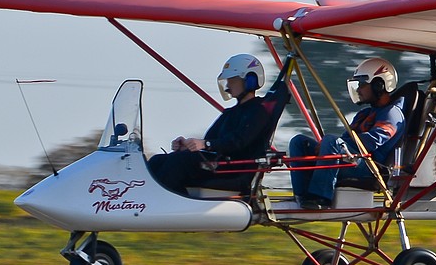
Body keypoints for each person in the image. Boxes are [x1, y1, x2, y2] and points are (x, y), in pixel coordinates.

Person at [148, 53, 274, 196]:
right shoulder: (230, 113)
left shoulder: (258, 112)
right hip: (218, 163)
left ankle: (167, 202)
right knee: (157, 161)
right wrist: (188, 146)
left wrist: (206, 144)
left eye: (232, 80)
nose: (227, 86)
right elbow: (210, 139)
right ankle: (143, 202)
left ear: (249, 80)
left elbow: (239, 142)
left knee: (179, 162)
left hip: (234, 169)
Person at [289, 57, 405, 209]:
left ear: (379, 85)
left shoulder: (392, 114)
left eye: (362, 84)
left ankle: (320, 199)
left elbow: (371, 142)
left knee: (331, 141)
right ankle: (302, 196)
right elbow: (344, 140)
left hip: (371, 168)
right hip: (353, 160)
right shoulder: (364, 114)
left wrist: (332, 145)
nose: (358, 90)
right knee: (299, 142)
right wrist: (327, 146)